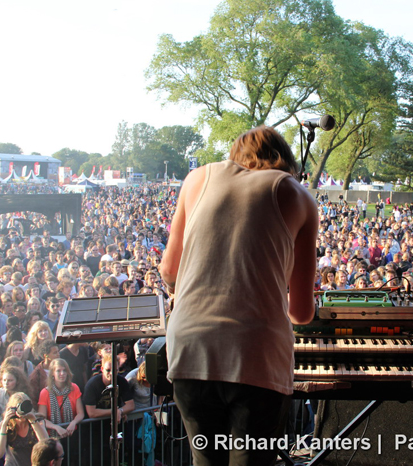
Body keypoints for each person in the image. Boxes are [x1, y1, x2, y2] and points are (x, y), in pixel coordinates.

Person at [159, 126, 318, 466]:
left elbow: (169, 271)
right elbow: (301, 312)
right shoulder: (298, 194)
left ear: (235, 156)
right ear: (286, 160)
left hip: (190, 348)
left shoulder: (197, 178)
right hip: (257, 355)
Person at [0, 392, 49, 466]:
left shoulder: (37, 421)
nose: (22, 413)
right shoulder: (5, 426)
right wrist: (4, 425)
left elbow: (46, 444)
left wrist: (33, 420)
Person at [37, 358, 83, 438]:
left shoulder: (74, 388)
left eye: (64, 370)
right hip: (53, 436)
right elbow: (42, 419)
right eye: (58, 371)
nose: (62, 373)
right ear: (52, 373)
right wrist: (56, 427)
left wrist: (73, 422)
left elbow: (80, 413)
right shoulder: (45, 392)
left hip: (71, 433)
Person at [0, 365, 32, 429]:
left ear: (17, 381)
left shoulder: (24, 394)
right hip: (1, 428)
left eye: (10, 380)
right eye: (4, 380)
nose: (6, 383)